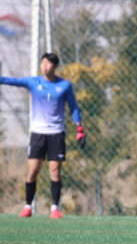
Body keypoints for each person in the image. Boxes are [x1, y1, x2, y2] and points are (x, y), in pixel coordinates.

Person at [0, 53, 85, 219]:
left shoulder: (64, 85)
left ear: (55, 66)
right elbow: (13, 81)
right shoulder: (33, 82)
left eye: (49, 63)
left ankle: (54, 208)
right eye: (43, 62)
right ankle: (27, 206)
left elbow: (73, 107)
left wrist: (79, 129)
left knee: (55, 171)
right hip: (38, 134)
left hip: (56, 134)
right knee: (32, 171)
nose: (45, 66)